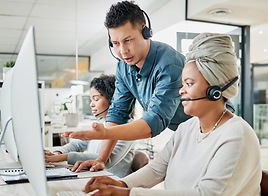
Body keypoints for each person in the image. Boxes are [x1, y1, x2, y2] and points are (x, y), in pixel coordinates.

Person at [81, 33, 262, 196]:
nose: (181, 90)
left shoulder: (237, 135)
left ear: (215, 90)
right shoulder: (188, 127)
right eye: (182, 83)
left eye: (189, 83)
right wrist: (121, 185)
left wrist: (129, 195)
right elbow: (157, 169)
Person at [63, 1, 191, 173]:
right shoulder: (124, 67)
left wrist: (105, 134)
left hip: (212, 127)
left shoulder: (169, 64)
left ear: (146, 32)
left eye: (128, 40)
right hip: (185, 131)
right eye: (115, 43)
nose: (123, 51)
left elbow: (155, 121)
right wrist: (101, 159)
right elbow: (118, 113)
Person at [45, 75, 135, 178]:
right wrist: (58, 153)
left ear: (113, 100)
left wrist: (63, 157)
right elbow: (78, 144)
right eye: (91, 100)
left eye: (96, 99)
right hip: (94, 177)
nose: (91, 105)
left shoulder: (128, 128)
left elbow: (107, 160)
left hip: (114, 183)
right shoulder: (100, 123)